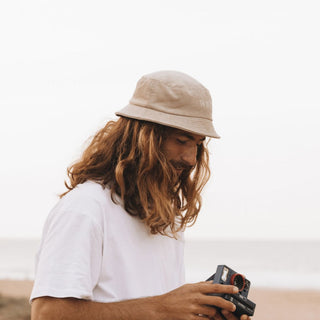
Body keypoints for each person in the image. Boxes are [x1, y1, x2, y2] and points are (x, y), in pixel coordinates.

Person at [30, 70, 251, 320]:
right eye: (181, 140)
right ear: (143, 137)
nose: (191, 159)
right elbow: (48, 314)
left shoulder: (167, 219)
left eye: (198, 144)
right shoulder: (85, 208)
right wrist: (161, 308)